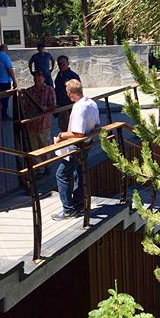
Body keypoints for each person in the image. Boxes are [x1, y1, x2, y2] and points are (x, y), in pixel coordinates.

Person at [52, 79, 100, 220]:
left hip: (77, 146)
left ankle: (68, 210)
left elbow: (78, 133)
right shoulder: (92, 103)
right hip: (87, 144)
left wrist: (61, 135)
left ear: (70, 94)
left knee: (62, 174)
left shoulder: (79, 108)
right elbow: (96, 125)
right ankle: (79, 205)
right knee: (79, 172)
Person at [24, 71, 56, 175]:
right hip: (32, 124)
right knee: (34, 147)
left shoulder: (49, 90)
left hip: (44, 124)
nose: (37, 80)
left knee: (45, 145)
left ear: (44, 79)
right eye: (36, 78)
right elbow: (24, 106)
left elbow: (53, 106)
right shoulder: (29, 91)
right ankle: (39, 168)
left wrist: (44, 108)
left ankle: (47, 165)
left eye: (40, 78)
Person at [53, 55, 81, 132]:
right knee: (63, 126)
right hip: (61, 105)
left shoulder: (72, 75)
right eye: (59, 64)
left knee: (71, 127)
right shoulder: (59, 74)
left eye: (63, 64)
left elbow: (77, 91)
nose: (61, 66)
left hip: (69, 105)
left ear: (68, 64)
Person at [0, 44, 17, 119]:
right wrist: (14, 80)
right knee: (5, 98)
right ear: (5, 49)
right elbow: (10, 69)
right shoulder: (5, 57)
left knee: (0, 97)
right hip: (4, 81)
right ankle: (4, 114)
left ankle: (0, 111)